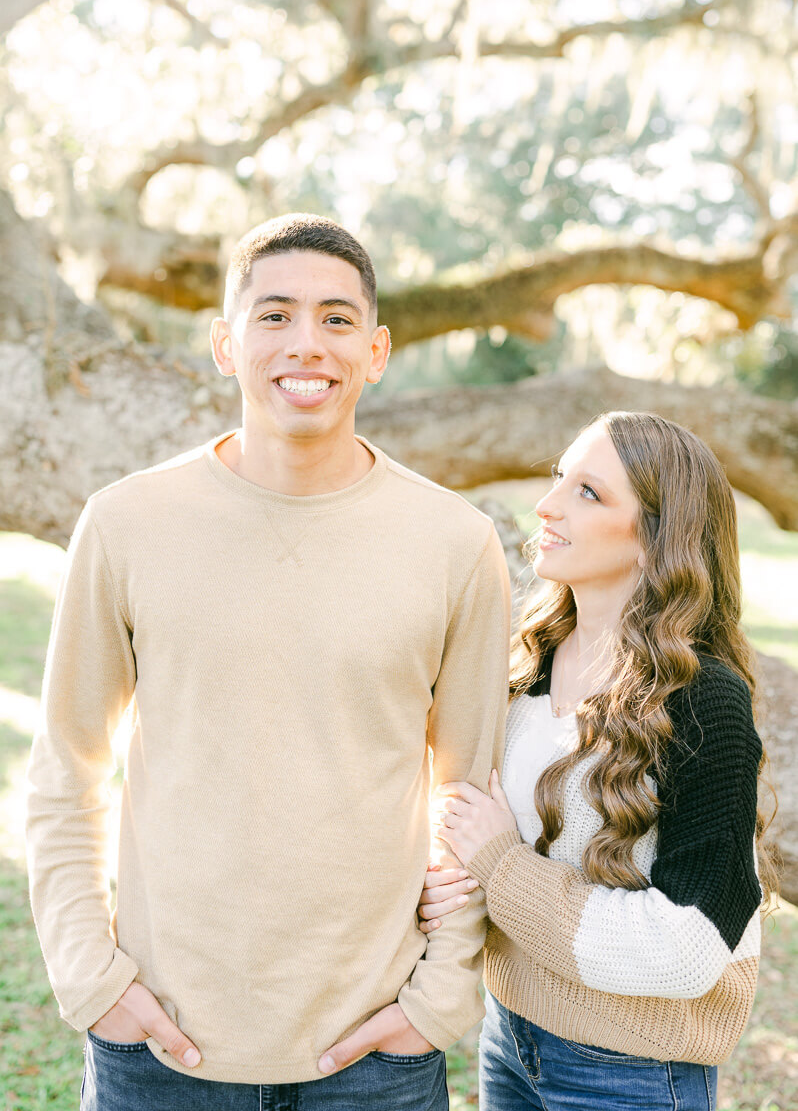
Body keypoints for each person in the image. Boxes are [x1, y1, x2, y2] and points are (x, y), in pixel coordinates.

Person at [26, 213, 512, 1111]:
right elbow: (67, 772)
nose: (306, 344)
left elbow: (473, 793)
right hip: (161, 1050)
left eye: (336, 319)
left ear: (376, 351)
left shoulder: (456, 542)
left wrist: (441, 998)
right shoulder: (126, 523)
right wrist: (93, 978)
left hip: (375, 1055)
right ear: (224, 342)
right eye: (274, 314)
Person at [418, 411, 775, 1111]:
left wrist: (499, 867)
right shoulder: (528, 663)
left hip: (633, 1071)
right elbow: (476, 825)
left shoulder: (705, 701)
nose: (546, 506)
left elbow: (692, 945)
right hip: (510, 1039)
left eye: (588, 493)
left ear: (654, 538)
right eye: (559, 479)